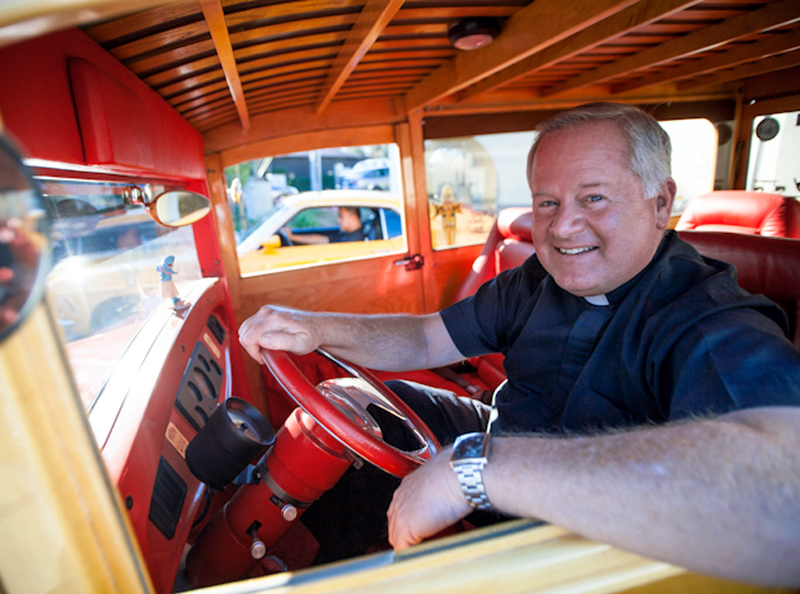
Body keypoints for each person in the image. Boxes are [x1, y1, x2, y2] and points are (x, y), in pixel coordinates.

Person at [239, 103, 800, 586]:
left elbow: (784, 491)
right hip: (498, 436)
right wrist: (317, 328)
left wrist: (475, 469)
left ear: (661, 202)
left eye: (593, 197)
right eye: (547, 202)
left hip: (586, 529)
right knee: (355, 410)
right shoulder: (535, 280)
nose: (562, 227)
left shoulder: (706, 316)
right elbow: (426, 337)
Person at [282, 206, 366, 244]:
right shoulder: (345, 234)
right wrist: (292, 237)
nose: (338, 221)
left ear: (353, 218)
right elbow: (324, 240)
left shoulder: (354, 242)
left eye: (341, 217)